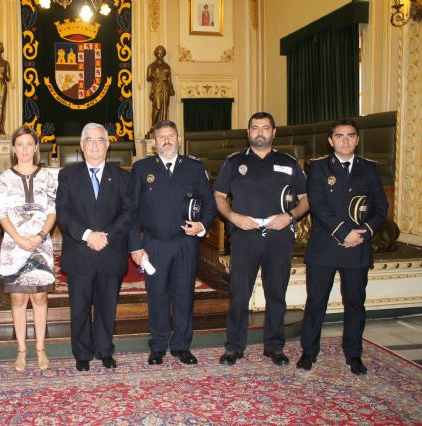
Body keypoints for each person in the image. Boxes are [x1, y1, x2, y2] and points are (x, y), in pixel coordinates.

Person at [214, 112, 310, 367]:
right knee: (239, 295)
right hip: (244, 237)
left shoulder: (289, 162)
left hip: (279, 238)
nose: (260, 132)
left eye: (265, 128)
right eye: (255, 128)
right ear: (248, 133)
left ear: (274, 132)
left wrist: (289, 217)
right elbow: (219, 196)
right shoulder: (234, 162)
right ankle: (234, 348)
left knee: (276, 294)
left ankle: (275, 347)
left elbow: (306, 199)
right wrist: (233, 217)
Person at [298, 118, 388, 375]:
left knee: (355, 304)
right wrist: (344, 232)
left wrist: (364, 233)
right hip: (324, 247)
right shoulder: (317, 168)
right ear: (331, 140)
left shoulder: (369, 169)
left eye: (350, 136)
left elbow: (381, 208)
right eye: (340, 136)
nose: (345, 140)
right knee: (316, 302)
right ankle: (309, 352)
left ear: (357, 140)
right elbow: (318, 205)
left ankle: (354, 354)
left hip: (358, 246)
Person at [129, 120, 217, 365]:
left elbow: (209, 204)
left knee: (183, 294)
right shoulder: (141, 168)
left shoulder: (195, 168)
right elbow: (131, 211)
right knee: (156, 295)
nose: (166, 140)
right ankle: (158, 346)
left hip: (185, 243)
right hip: (154, 243)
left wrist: (202, 226)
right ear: (154, 142)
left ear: (178, 139)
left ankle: (181, 346)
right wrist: (136, 245)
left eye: (170, 136)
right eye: (161, 137)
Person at [56, 123, 134, 372]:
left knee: (106, 306)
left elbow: (129, 212)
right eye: (89, 140)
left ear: (107, 144)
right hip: (80, 252)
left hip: (110, 252)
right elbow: (63, 213)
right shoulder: (67, 176)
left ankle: (104, 349)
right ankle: (82, 352)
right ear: (81, 145)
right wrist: (89, 235)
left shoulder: (123, 176)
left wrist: (106, 237)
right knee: (79, 307)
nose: (94, 145)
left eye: (99, 140)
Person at [0, 126, 56, 372]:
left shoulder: (47, 177)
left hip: (41, 244)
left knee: (40, 297)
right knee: (18, 298)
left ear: (35, 148)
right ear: (13, 149)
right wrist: (20, 239)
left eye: (29, 144)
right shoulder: (4, 179)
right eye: (20, 144)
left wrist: (41, 235)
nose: (25, 149)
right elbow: (0, 214)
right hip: (14, 244)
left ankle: (40, 348)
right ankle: (21, 351)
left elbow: (53, 211)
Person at [146, 46, 175, 138]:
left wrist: (171, 88)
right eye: (158, 53)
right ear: (156, 53)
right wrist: (154, 75)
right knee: (157, 107)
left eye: (162, 53)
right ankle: (153, 126)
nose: (160, 54)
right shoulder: (151, 66)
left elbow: (169, 79)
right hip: (157, 87)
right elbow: (148, 78)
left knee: (165, 109)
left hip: (166, 87)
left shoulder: (167, 66)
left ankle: (164, 128)